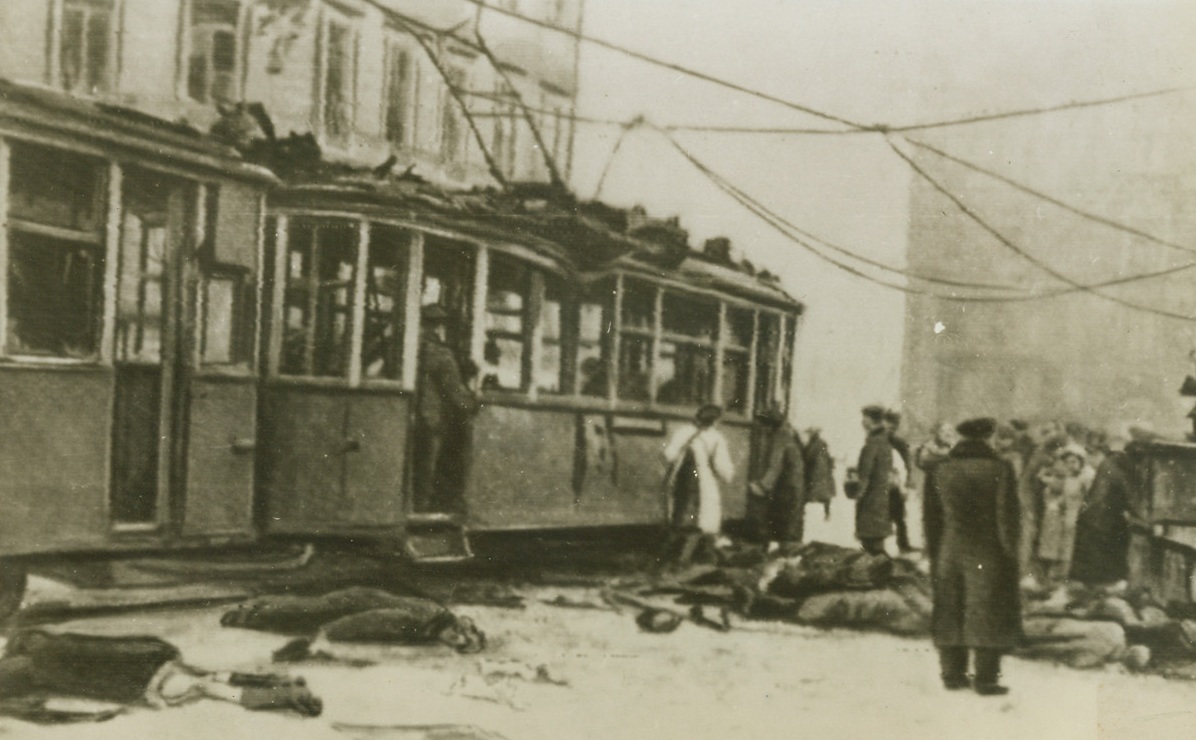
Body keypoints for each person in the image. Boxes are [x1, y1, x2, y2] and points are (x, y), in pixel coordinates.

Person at [0, 630, 321, 721]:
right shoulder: (45, 653)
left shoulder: (44, 657)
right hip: (148, 664)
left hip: (144, 671)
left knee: (204, 681)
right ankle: (277, 690)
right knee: (205, 680)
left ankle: (276, 689)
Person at [923, 417, 1021, 696]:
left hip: (949, 550)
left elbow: (932, 519)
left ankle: (952, 675)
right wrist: (1011, 554)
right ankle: (986, 679)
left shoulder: (940, 469)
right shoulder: (1001, 470)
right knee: (987, 611)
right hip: (988, 552)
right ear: (988, 438)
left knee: (950, 608)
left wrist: (935, 552)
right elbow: (1007, 518)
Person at [414, 305, 480, 513]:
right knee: (428, 463)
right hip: (431, 417)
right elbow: (454, 391)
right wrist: (472, 405)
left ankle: (416, 502)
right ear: (439, 326)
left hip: (411, 413)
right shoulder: (441, 353)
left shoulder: (404, 346)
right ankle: (423, 505)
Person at [662, 404, 735, 566]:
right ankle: (693, 559)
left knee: (681, 518)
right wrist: (728, 475)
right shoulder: (716, 438)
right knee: (703, 522)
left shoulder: (684, 432)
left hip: (682, 481)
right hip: (704, 482)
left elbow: (668, 455)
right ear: (715, 421)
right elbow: (722, 467)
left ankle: (674, 558)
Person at [1070, 427, 1133, 590]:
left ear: (1098, 452)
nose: (1089, 459)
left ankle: (1097, 584)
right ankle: (1100, 584)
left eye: (1090, 454)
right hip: (1104, 519)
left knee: (1098, 552)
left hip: (1100, 520)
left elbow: (1100, 497)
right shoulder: (1112, 467)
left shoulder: (1107, 467)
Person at [749, 405, 806, 548]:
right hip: (795, 487)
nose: (763, 430)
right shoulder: (790, 434)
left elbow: (775, 466)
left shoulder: (781, 437)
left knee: (782, 527)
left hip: (787, 488)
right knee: (790, 526)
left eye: (764, 425)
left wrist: (762, 486)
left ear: (770, 425)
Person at [849, 405, 894, 556]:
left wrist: (858, 494)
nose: (862, 421)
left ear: (871, 420)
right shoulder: (884, 441)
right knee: (875, 542)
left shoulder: (873, 443)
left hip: (870, 500)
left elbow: (865, 475)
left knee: (871, 546)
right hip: (880, 499)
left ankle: (880, 573)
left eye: (864, 418)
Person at [883, 409, 915, 553]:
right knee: (883, 516)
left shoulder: (899, 442)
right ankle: (879, 547)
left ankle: (903, 544)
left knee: (899, 515)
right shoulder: (877, 440)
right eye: (889, 423)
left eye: (895, 424)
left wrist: (908, 479)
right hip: (881, 484)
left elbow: (907, 462)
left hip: (894, 484)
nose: (892, 427)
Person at [802, 427, 836, 521]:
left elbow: (808, 456)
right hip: (823, 473)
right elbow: (828, 457)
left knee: (807, 492)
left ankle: (802, 512)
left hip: (815, 472)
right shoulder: (821, 443)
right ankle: (827, 513)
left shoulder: (814, 444)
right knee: (825, 495)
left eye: (810, 433)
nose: (809, 434)